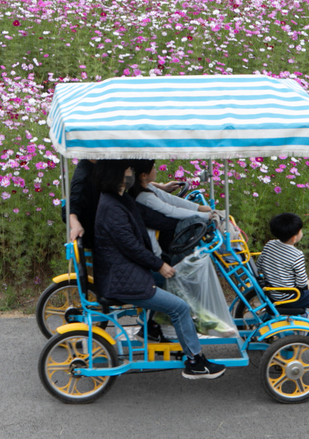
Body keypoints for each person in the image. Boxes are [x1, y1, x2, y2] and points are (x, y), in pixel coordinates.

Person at [93, 160, 228, 380]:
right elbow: (131, 246)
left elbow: (155, 219)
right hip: (124, 279)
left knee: (177, 282)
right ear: (115, 175)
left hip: (126, 272)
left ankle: (153, 327)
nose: (131, 174)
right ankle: (195, 361)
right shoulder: (113, 207)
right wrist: (159, 265)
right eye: (128, 171)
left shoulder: (119, 199)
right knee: (180, 307)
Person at [258, 212, 309, 322]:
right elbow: (302, 282)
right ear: (294, 238)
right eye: (300, 231)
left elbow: (259, 264)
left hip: (271, 292)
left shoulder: (270, 244)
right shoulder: (296, 255)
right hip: (289, 297)